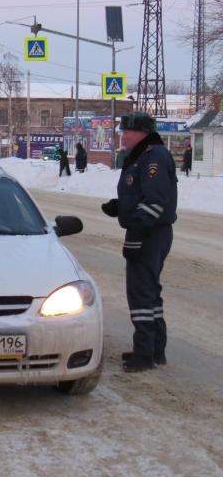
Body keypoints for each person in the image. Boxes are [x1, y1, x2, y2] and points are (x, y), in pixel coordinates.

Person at [101, 111, 177, 373]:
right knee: (149, 292)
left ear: (142, 133)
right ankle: (155, 350)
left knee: (141, 293)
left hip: (150, 234)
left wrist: (137, 231)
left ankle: (145, 355)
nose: (123, 136)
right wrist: (121, 207)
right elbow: (141, 194)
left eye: (127, 132)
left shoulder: (153, 157)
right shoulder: (143, 156)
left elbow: (155, 201)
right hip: (150, 231)